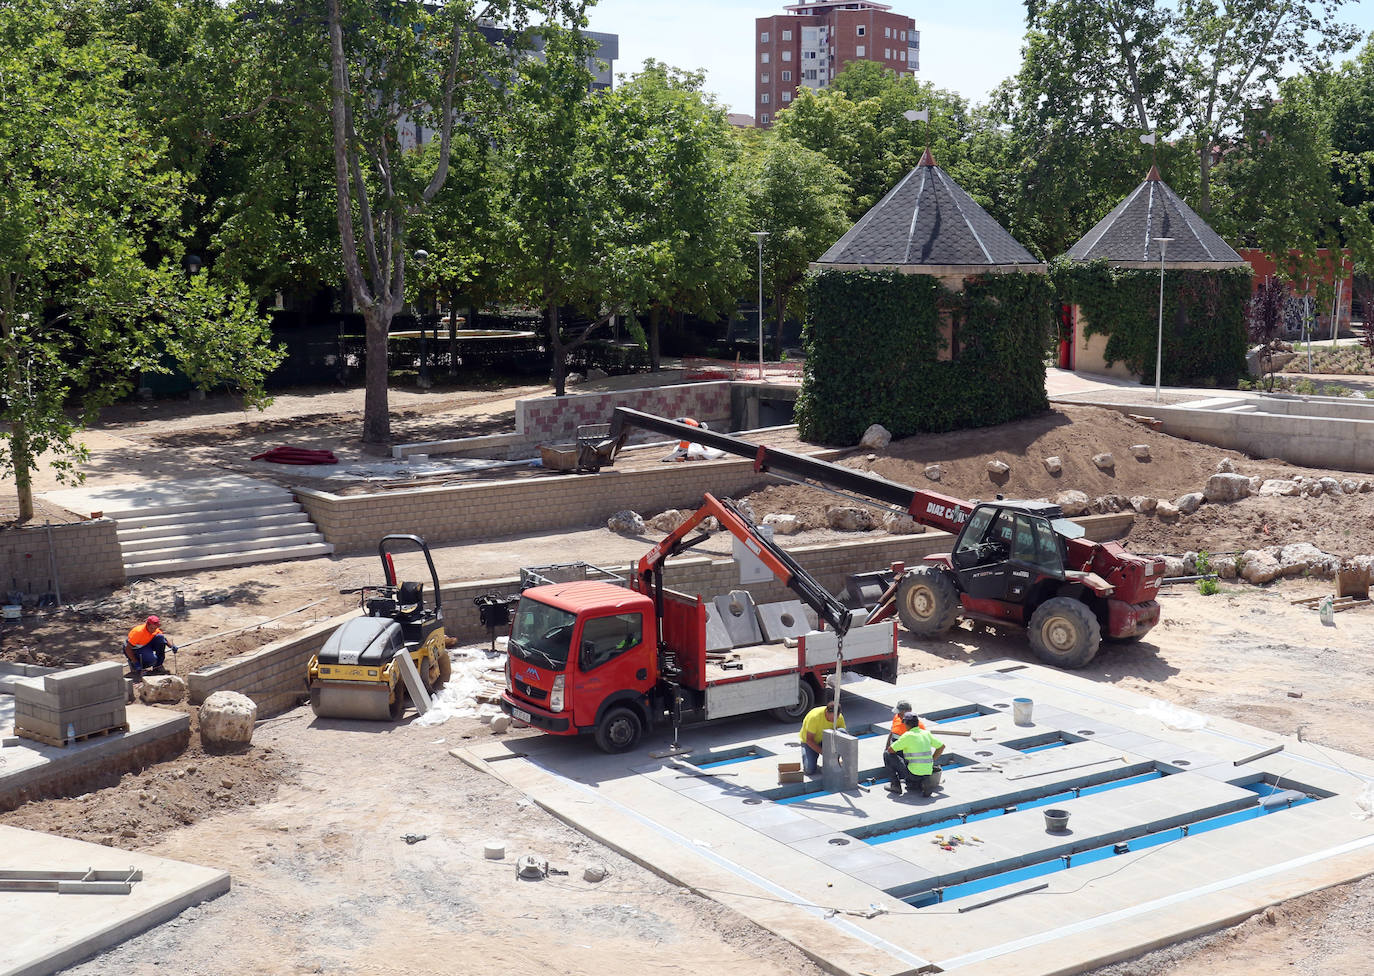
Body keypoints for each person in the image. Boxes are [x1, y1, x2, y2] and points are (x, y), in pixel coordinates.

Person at [885, 712, 945, 796]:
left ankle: (895, 785)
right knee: (912, 764)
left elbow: (890, 750)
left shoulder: (907, 736)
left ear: (907, 724)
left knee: (887, 754)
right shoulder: (926, 733)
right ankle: (921, 783)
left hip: (913, 773)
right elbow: (941, 747)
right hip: (928, 771)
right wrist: (932, 760)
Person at [798, 699, 845, 775]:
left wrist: (842, 756)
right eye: (832, 718)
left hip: (825, 740)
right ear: (826, 712)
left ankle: (836, 761)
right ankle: (813, 760)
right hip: (810, 743)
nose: (834, 720)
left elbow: (843, 737)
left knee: (842, 731)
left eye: (836, 718)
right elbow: (809, 740)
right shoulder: (814, 717)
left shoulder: (839, 717)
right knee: (809, 769)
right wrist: (825, 754)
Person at [123, 615, 178, 679]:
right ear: (147, 625)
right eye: (151, 628)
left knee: (160, 638)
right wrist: (136, 662)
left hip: (144, 645)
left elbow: (164, 639)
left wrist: (171, 646)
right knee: (152, 660)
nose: (153, 630)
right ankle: (136, 665)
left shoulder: (154, 629)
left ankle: (157, 666)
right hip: (133, 649)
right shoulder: (138, 632)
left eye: (155, 628)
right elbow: (127, 649)